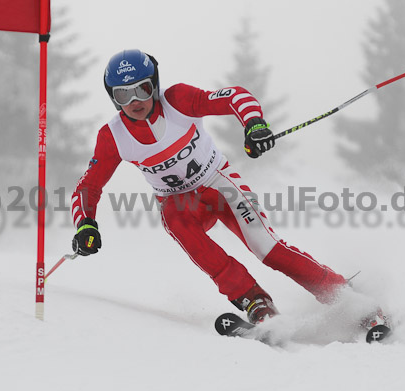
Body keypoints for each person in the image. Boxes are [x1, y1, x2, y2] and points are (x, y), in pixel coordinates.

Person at [70, 49, 347, 324]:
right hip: (180, 203)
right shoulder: (113, 136)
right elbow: (88, 187)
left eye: (142, 89)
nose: (134, 101)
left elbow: (234, 96)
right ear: (113, 97)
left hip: (217, 182)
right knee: (175, 221)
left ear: (154, 84)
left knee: (267, 248)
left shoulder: (177, 100)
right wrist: (85, 224)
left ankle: (339, 293)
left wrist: (254, 124)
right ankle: (254, 300)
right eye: (122, 94)